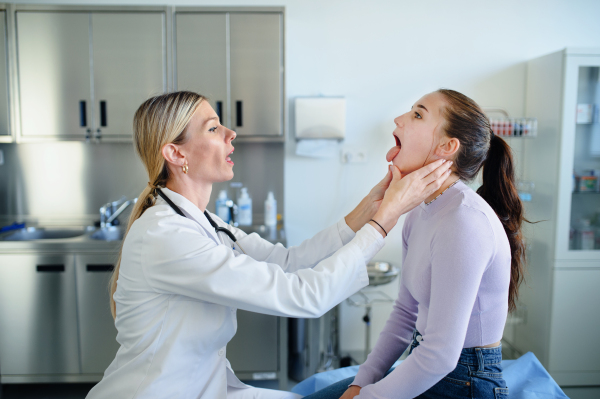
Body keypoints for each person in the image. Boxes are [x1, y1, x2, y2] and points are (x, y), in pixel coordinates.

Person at [85, 91, 452, 399]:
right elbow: (303, 295)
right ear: (176, 154)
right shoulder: (165, 236)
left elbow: (288, 261)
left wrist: (368, 209)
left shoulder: (204, 223)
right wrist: (383, 221)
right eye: (213, 128)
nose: (231, 134)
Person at [304, 89, 525, 399]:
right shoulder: (422, 210)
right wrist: (361, 382)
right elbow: (406, 313)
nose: (398, 120)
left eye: (418, 114)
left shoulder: (464, 220)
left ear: (447, 147)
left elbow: (440, 355)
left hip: (466, 382)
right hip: (427, 364)